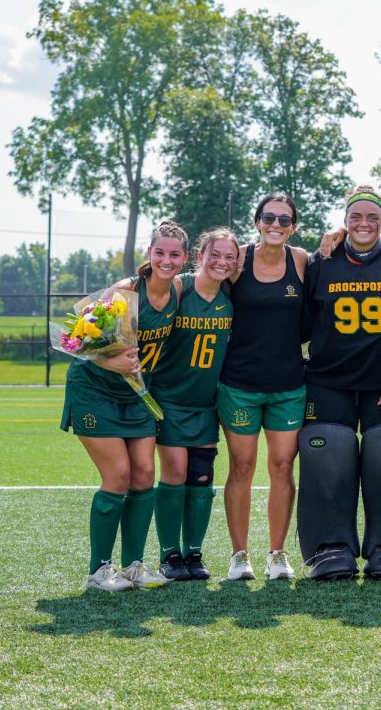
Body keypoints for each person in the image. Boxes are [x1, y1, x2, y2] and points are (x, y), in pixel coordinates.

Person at [299, 184, 381, 580]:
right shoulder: (320, 263)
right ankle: (331, 545)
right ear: (344, 221)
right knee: (328, 460)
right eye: (356, 216)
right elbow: (299, 320)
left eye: (372, 217)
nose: (364, 223)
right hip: (328, 380)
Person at [59, 220, 186, 590]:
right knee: (117, 476)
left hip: (137, 395)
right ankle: (98, 570)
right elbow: (73, 341)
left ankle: (133, 565)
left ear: (184, 258)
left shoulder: (178, 288)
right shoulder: (125, 292)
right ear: (149, 254)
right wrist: (108, 361)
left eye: (174, 254)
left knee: (144, 474)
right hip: (95, 391)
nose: (166, 260)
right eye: (159, 252)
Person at [220, 193, 309, 581]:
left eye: (284, 220)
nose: (276, 225)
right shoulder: (237, 260)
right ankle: (240, 555)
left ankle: (277, 554)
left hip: (288, 385)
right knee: (241, 466)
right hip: (239, 384)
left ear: (294, 227)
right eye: (268, 218)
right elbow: (199, 283)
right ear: (257, 222)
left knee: (283, 466)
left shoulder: (302, 261)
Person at [151, 228, 239, 583]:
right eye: (214, 254)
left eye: (229, 257)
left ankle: (195, 553)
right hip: (170, 398)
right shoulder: (178, 287)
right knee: (174, 472)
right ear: (199, 255)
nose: (221, 262)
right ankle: (169, 554)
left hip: (206, 403)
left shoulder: (231, 295)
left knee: (202, 477)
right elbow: (141, 286)